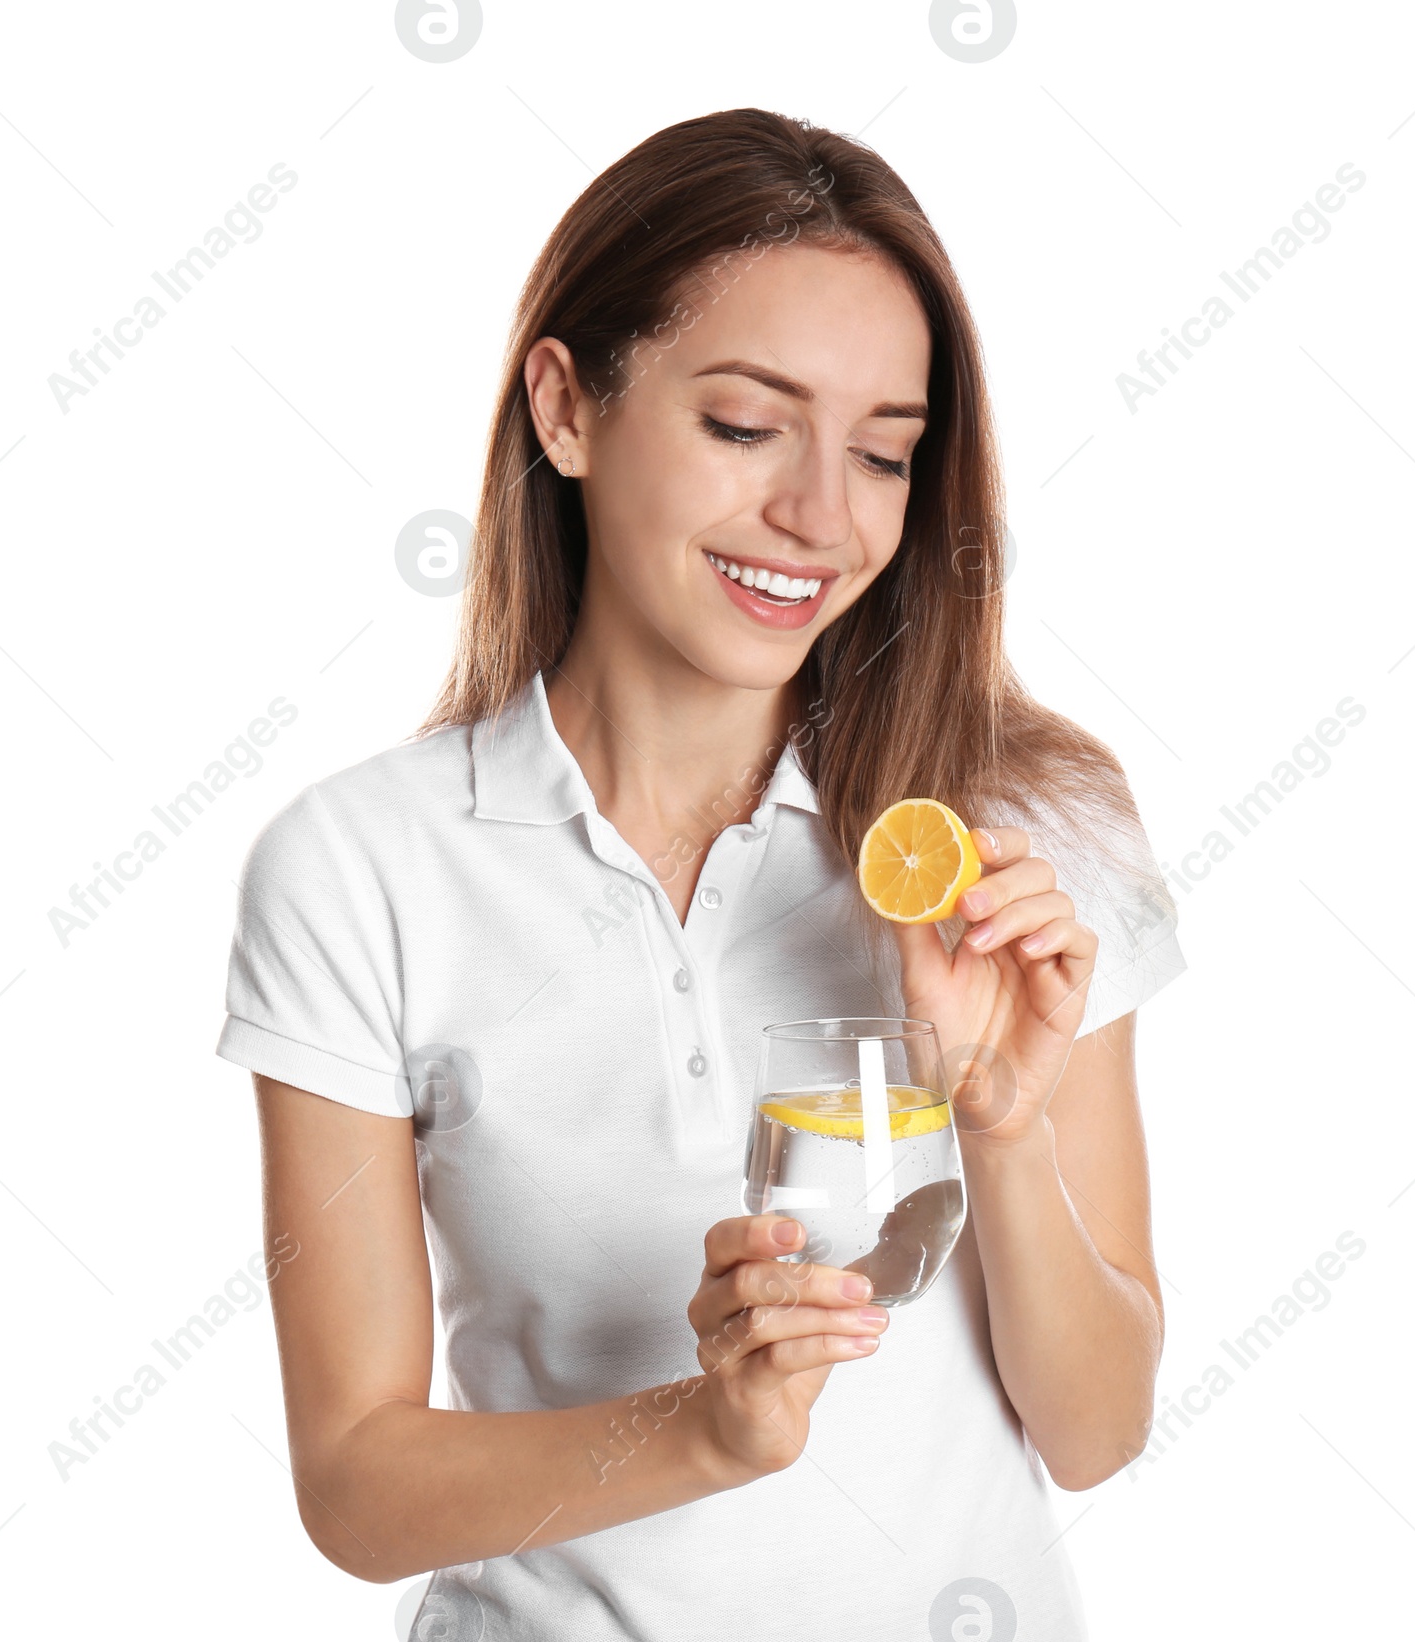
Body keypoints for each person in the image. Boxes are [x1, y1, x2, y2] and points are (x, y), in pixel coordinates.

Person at [216, 107, 1187, 1641]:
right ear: (567, 408)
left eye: (885, 452)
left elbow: (1097, 1428)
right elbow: (356, 1478)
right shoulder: (360, 867)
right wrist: (706, 1428)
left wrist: (997, 1114)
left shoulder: (1024, 829)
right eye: (746, 427)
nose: (823, 515)